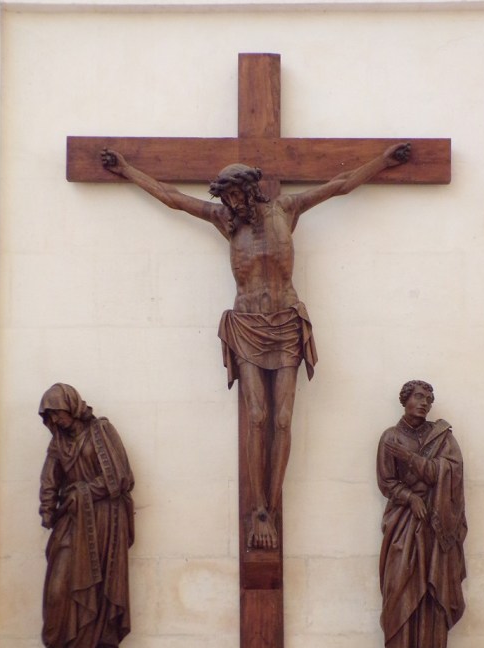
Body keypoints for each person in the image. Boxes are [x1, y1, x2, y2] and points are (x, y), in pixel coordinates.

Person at [101, 144, 410, 549]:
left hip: (285, 323)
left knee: (282, 420)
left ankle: (271, 503)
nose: (230, 203)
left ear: (251, 190)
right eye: (225, 197)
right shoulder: (224, 221)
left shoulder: (286, 210)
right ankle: (259, 506)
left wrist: (383, 161)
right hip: (246, 324)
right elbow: (172, 198)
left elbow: (339, 186)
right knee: (257, 415)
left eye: (235, 195)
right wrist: (127, 170)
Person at [38, 383, 135, 648]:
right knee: (58, 587)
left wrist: (84, 490)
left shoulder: (102, 431)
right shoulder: (57, 444)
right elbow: (49, 480)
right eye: (49, 417)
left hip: (106, 519)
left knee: (102, 584)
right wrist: (46, 507)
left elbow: (121, 477)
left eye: (57, 414)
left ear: (72, 406)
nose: (55, 421)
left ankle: (101, 647)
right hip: (72, 519)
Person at [377, 380, 467, 648]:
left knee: (434, 585)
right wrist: (410, 497)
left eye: (429, 399)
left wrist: (413, 461)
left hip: (436, 523)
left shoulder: (442, 437)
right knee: (400, 583)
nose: (424, 403)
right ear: (404, 400)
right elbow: (386, 482)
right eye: (418, 397)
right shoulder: (390, 438)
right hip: (403, 523)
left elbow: (452, 471)